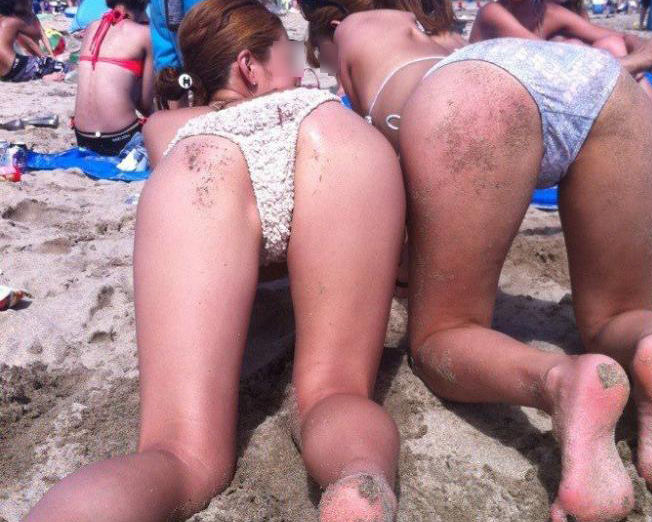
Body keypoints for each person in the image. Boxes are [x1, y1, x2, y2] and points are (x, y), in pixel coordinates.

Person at [303, 2, 652, 520]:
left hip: (474, 98)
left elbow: (378, 171)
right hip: (600, 83)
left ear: (332, 26)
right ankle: (651, 347)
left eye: (321, 57)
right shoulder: (436, 29)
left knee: (442, 338)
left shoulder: (354, 29)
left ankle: (561, 381)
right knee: (617, 314)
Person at [25, 1, 406, 521]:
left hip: (203, 167)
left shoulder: (166, 126)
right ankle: (360, 479)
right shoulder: (319, 107)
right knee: (335, 393)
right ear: (249, 66)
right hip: (335, 149)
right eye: (290, 55)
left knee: (179, 455)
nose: (301, 70)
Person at [468, 0, 652, 118]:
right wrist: (639, 64)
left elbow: (619, 37)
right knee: (573, 47)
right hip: (491, 112)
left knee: (610, 44)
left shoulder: (547, 11)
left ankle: (644, 146)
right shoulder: (492, 13)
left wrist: (651, 48)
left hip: (537, 105)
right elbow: (558, 66)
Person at [73, 0, 153, 156]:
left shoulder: (91, 28)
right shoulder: (145, 34)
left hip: (82, 137)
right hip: (120, 137)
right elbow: (145, 104)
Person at [0, 0, 65, 82]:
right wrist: (43, 57)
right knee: (62, 67)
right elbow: (29, 43)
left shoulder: (30, 17)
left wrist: (50, 54)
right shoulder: (14, 21)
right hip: (22, 60)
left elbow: (41, 35)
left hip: (11, 69)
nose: (30, 4)